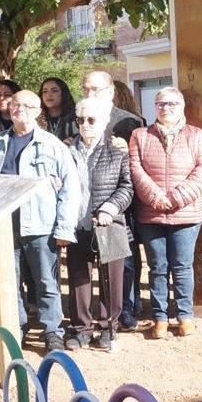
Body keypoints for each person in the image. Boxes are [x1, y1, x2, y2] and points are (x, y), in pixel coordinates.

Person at [0, 90, 78, 352]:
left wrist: (64, 227)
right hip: (4, 226)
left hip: (41, 225)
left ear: (37, 111)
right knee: (9, 281)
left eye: (26, 105)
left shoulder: (53, 145)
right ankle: (15, 329)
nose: (18, 108)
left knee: (46, 282)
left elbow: (71, 188)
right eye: (15, 104)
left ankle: (52, 331)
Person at [129, 87, 202, 339]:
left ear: (182, 106)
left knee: (182, 266)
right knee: (156, 267)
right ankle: (160, 317)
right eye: (160, 104)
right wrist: (156, 198)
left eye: (172, 104)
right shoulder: (140, 135)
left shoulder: (196, 135)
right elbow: (135, 168)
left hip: (186, 212)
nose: (166, 108)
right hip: (151, 213)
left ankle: (185, 315)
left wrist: (175, 198)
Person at [63, 98, 133, 351]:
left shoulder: (117, 151)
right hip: (77, 225)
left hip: (109, 224)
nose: (85, 125)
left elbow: (127, 186)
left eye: (91, 119)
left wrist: (110, 208)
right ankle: (81, 328)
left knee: (112, 280)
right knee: (79, 278)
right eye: (80, 120)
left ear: (104, 121)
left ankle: (108, 327)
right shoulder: (66, 151)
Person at [81, 70, 147, 329]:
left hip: (121, 202)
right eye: (86, 89)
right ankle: (92, 314)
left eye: (95, 89)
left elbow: (139, 161)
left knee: (124, 259)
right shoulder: (72, 119)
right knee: (87, 263)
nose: (89, 94)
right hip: (86, 205)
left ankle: (126, 307)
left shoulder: (129, 121)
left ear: (110, 92)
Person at [39, 78, 78, 142]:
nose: (48, 95)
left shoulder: (75, 118)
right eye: (45, 91)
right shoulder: (36, 118)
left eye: (54, 91)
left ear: (63, 93)